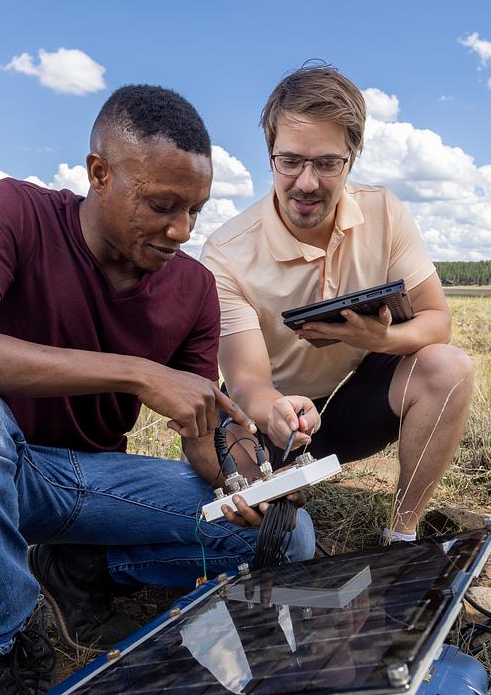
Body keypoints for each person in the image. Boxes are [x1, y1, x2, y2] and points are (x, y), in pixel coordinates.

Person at [0, 85, 315, 695]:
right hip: (3, 469)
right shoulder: (19, 212)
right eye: (162, 206)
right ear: (99, 174)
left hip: (94, 485)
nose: (181, 231)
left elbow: (204, 432)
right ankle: (12, 645)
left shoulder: (194, 290)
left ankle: (83, 566)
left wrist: (248, 479)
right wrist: (136, 374)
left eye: (195, 212)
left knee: (291, 538)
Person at [202, 64, 474, 545]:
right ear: (269, 155)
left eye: (327, 163)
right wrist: (278, 413)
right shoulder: (227, 251)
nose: (307, 182)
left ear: (352, 158)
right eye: (290, 161)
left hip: (355, 401)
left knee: (448, 368)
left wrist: (382, 338)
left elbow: (439, 322)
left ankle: (402, 535)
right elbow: (246, 382)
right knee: (248, 511)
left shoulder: (384, 211)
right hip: (271, 413)